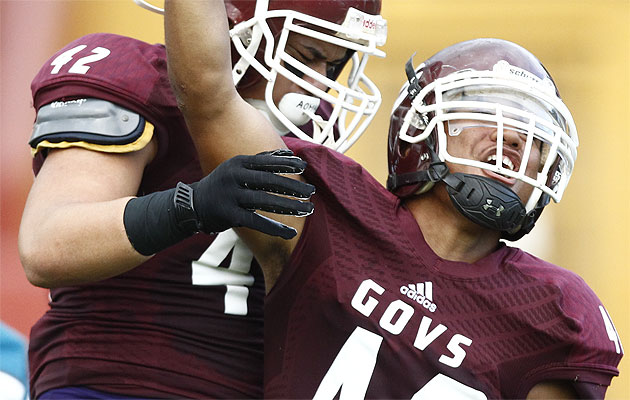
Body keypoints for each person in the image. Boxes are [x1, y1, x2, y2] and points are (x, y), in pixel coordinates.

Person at [164, 1, 624, 398]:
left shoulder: (551, 310)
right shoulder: (329, 209)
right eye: (489, 115)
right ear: (419, 130)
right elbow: (209, 96)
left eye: (535, 140)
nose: (515, 143)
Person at [18, 0, 386, 398]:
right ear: (238, 23)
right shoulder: (136, 77)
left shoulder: (316, 124)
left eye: (333, 66)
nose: (319, 84)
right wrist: (189, 207)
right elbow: (48, 245)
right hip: (118, 382)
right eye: (306, 56)